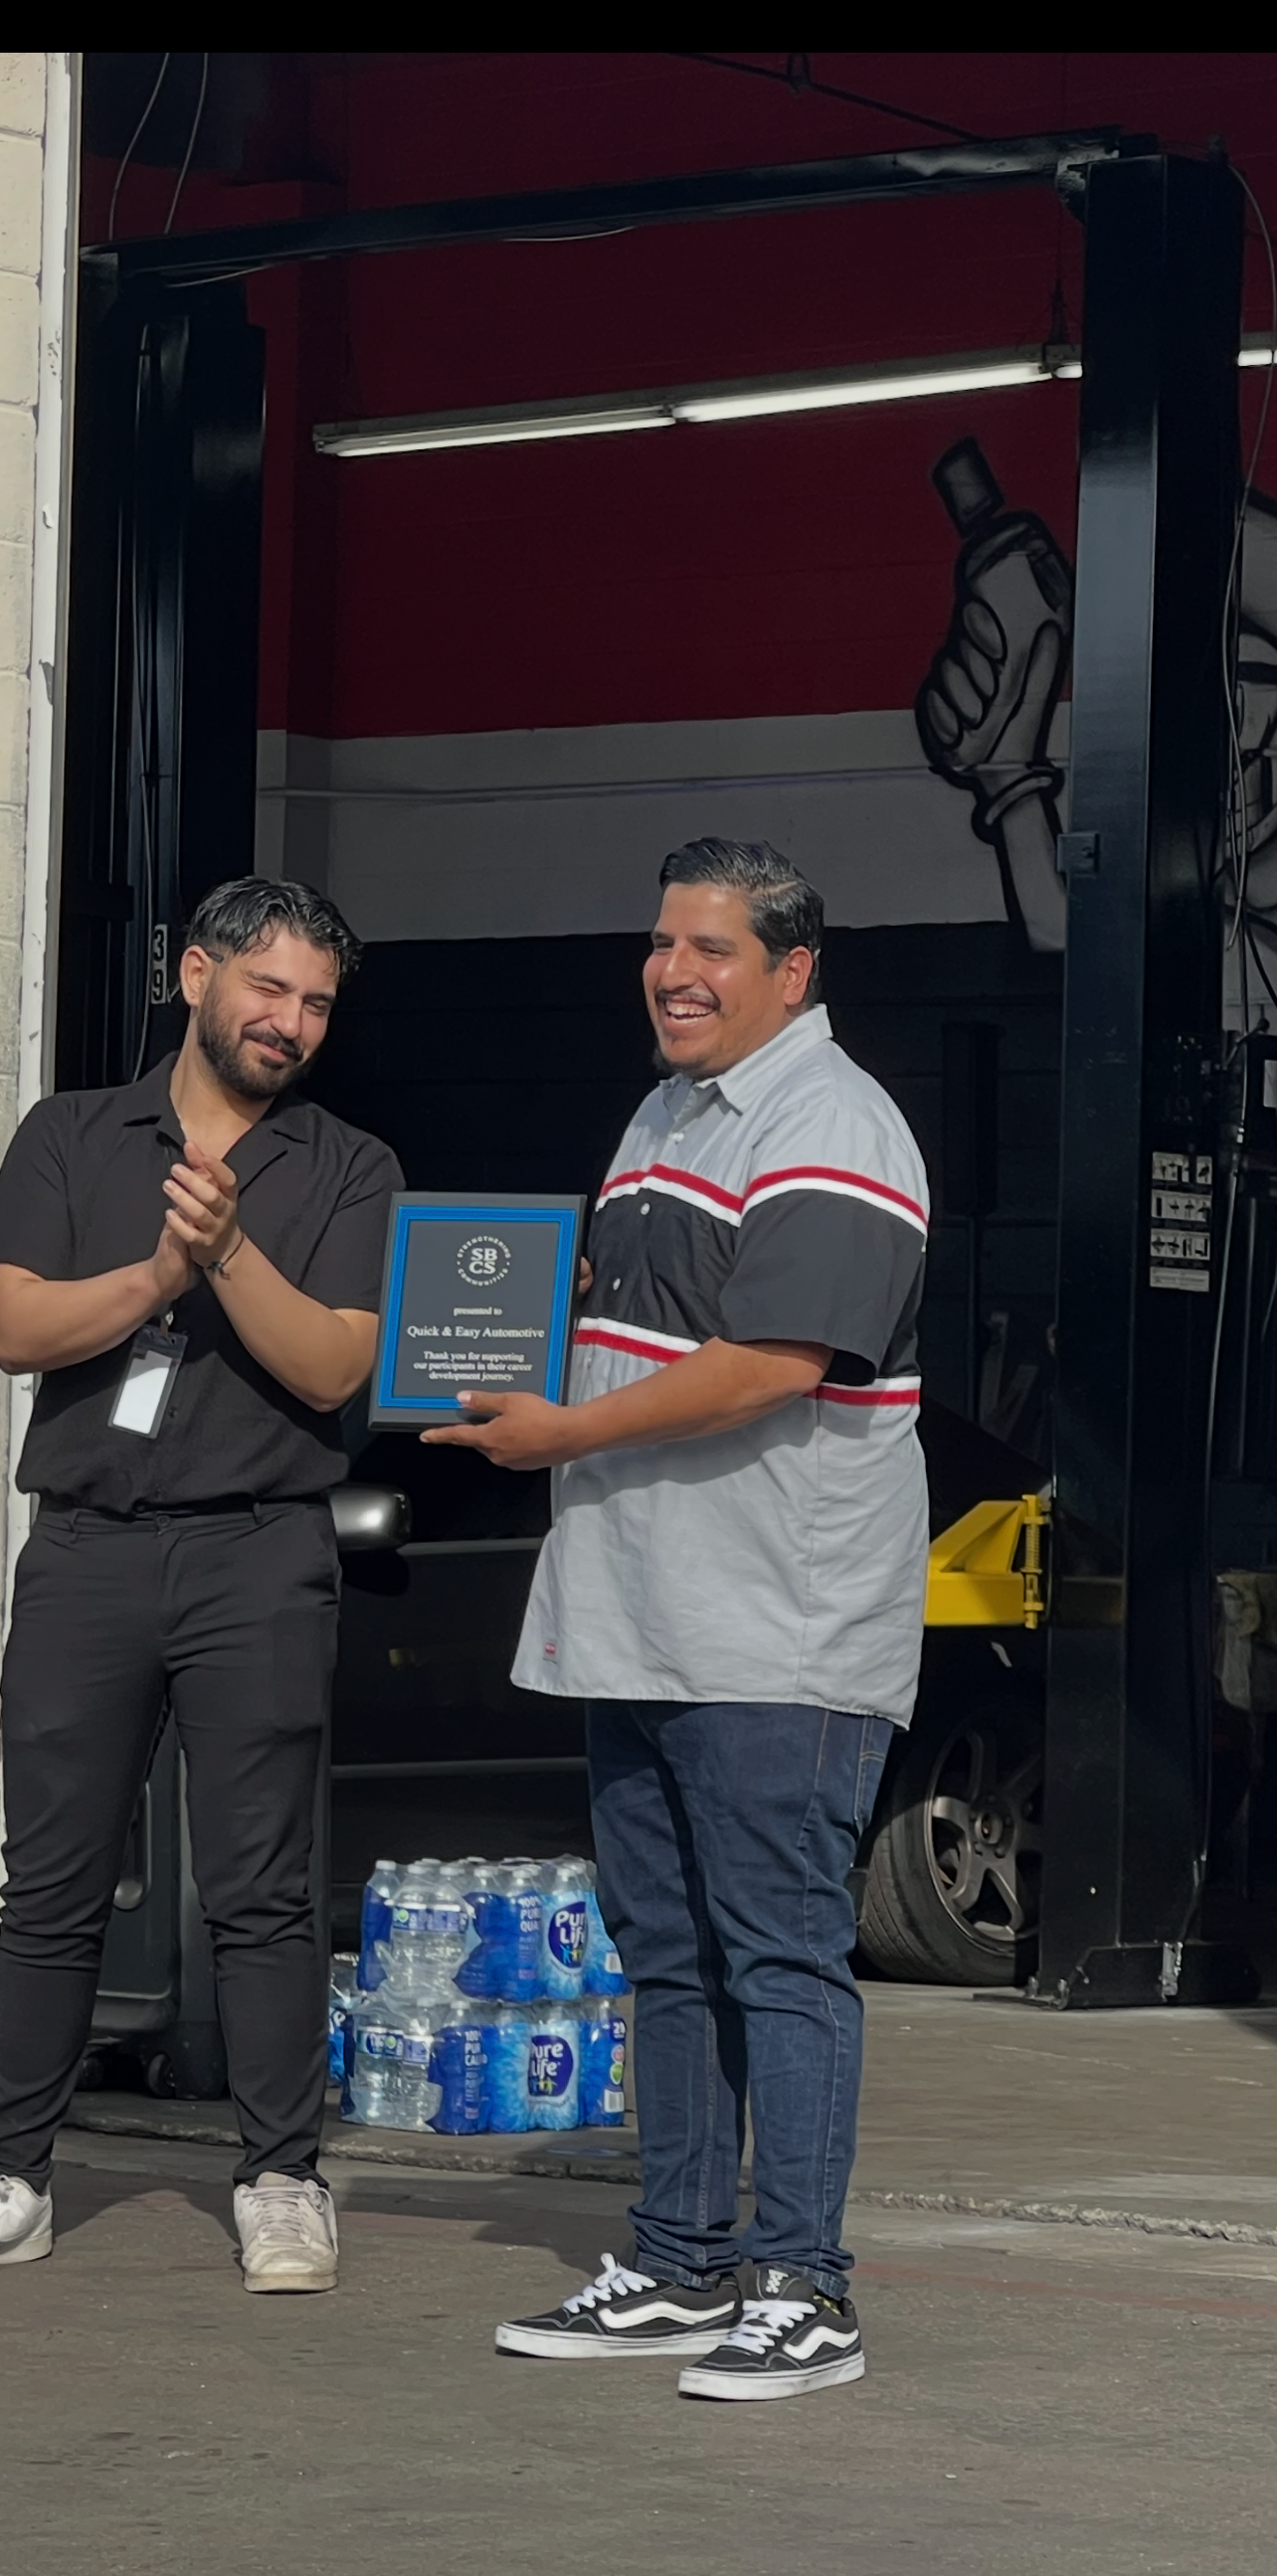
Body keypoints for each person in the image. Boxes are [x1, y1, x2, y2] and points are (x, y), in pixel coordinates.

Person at [422, 836, 929, 2404]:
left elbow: (777, 1359)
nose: (674, 969)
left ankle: (804, 2285)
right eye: (661, 941)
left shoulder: (834, 1121)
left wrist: (555, 1438)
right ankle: (679, 2255)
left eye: (713, 946)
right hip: (643, 1612)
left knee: (779, 1953)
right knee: (668, 1952)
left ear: (797, 971)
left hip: (775, 1624)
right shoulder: (662, 1118)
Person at [0, 877, 401, 2292]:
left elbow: (336, 1365)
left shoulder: (350, 1166)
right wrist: (156, 1270)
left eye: (316, 1005)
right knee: (47, 1880)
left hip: (258, 1550)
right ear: (194, 976)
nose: (290, 1022)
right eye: (270, 990)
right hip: (90, 1547)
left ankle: (283, 2173)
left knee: (264, 1889)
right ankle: (15, 2167)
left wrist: (225, 1250)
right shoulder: (70, 1134)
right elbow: (13, 1318)